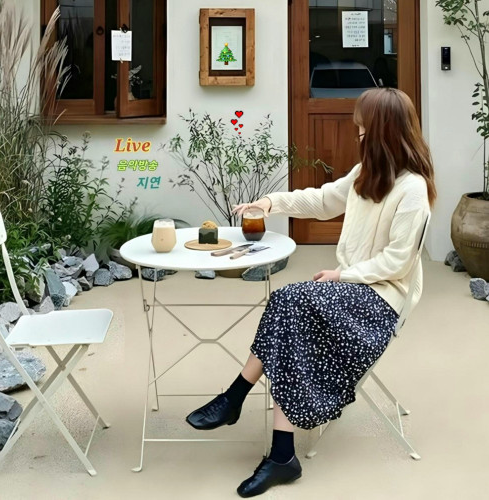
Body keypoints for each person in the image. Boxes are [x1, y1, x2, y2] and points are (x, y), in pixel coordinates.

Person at [186, 87, 437, 498]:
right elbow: (322, 201)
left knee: (291, 302)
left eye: (362, 128)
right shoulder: (367, 173)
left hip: (380, 302)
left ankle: (236, 399)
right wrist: (270, 203)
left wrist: (343, 276)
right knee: (290, 307)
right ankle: (277, 450)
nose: (357, 134)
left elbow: (397, 263)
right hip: (352, 289)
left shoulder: (412, 191)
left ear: (383, 132)